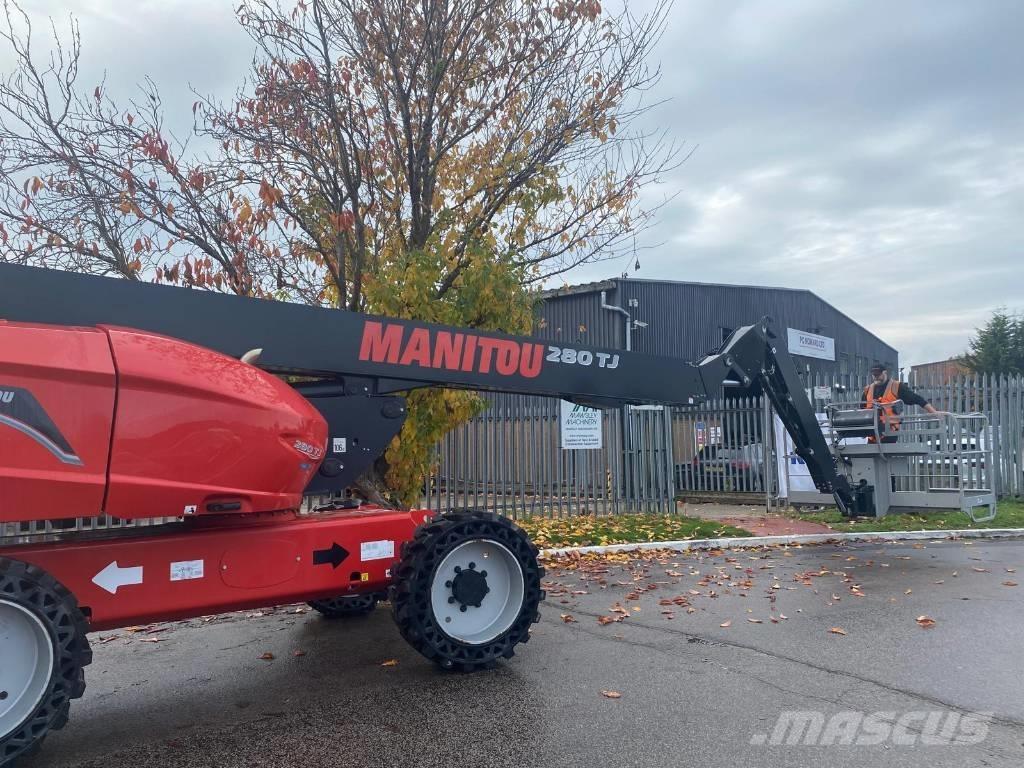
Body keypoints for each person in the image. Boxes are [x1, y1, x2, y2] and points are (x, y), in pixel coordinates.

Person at [861, 362, 939, 442]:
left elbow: (917, 399)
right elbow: (862, 410)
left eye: (878, 375)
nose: (876, 377)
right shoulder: (867, 390)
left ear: (885, 373)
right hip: (872, 432)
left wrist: (934, 412)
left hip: (889, 432)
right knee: (869, 453)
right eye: (874, 375)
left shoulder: (896, 386)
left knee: (886, 453)